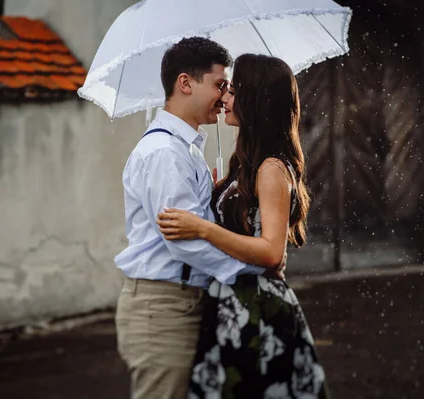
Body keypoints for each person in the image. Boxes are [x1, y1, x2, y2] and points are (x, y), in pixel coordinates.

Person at [114, 38, 284, 399]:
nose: (225, 97)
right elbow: (186, 242)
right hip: (163, 309)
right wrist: (254, 270)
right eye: (220, 85)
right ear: (186, 83)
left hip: (188, 301)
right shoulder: (164, 153)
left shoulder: (186, 150)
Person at [157, 54, 329, 398]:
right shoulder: (249, 167)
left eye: (233, 91)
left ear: (256, 100)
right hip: (234, 304)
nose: (225, 99)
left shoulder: (271, 170)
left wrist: (203, 228)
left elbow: (270, 252)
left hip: (259, 309)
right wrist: (222, 195)